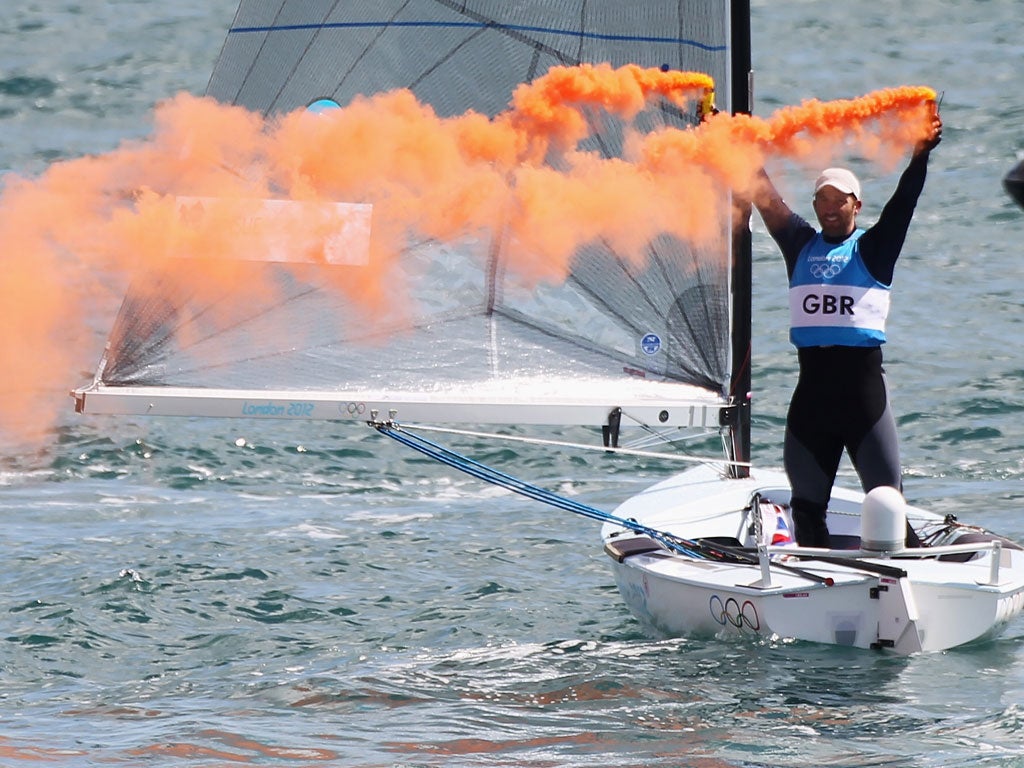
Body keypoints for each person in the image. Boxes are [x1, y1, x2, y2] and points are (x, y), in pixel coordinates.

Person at [751, 106, 943, 548]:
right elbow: (765, 196)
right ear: (815, 205)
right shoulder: (800, 243)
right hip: (811, 403)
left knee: (888, 505)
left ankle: (916, 584)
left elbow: (904, 203)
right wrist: (727, 142)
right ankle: (815, 594)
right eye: (823, 200)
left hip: (864, 403)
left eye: (841, 200)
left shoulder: (874, 249)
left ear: (856, 205)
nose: (831, 208)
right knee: (807, 512)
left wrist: (920, 154)